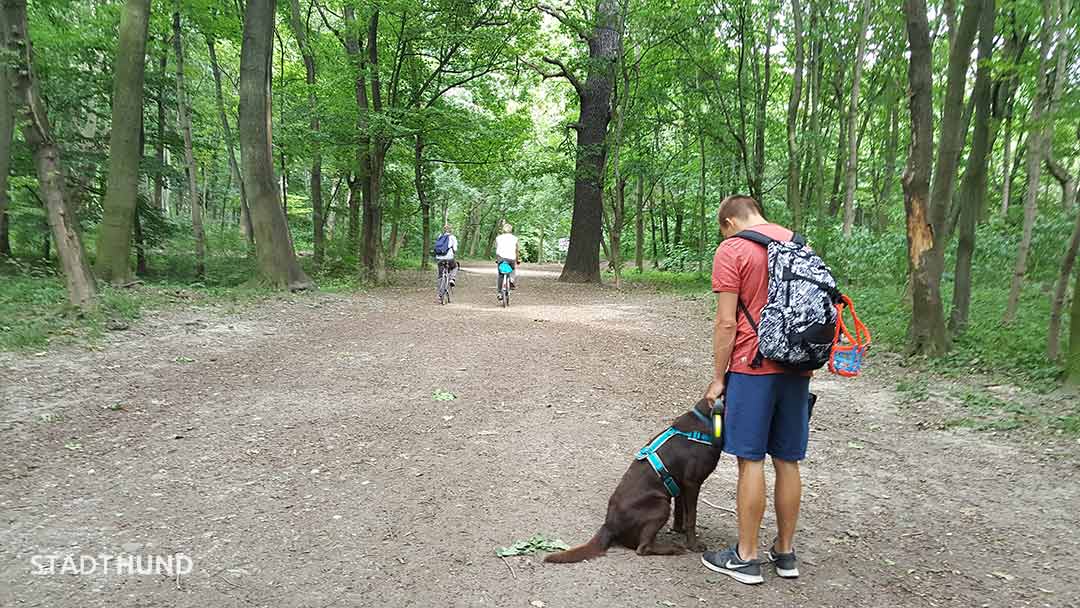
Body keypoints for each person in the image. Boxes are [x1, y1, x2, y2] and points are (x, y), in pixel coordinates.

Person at [700, 195, 811, 585]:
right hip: (797, 367)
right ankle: (785, 553)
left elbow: (727, 323)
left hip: (753, 365)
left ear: (729, 222)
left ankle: (746, 557)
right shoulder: (797, 243)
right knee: (787, 459)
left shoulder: (733, 248)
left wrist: (718, 377)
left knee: (750, 460)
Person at [494, 223, 520, 299]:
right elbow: (516, 250)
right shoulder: (515, 238)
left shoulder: (498, 238)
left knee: (501, 275)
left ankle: (499, 293)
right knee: (512, 269)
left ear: (503, 230)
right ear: (511, 230)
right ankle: (511, 280)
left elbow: (497, 249)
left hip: (501, 258)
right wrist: (517, 259)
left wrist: (497, 259)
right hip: (511, 258)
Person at [433, 224, 459, 297]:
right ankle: (452, 279)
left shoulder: (440, 236)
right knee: (455, 267)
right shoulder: (452, 237)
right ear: (451, 230)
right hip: (449, 257)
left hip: (439, 258)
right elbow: (455, 249)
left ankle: (440, 293)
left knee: (440, 275)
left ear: (444, 230)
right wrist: (453, 252)